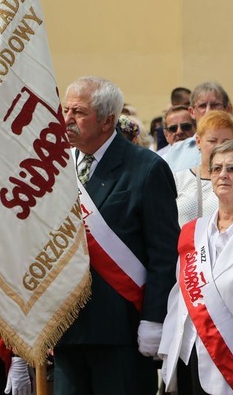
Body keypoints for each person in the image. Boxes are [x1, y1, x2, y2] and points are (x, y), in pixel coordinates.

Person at [56, 76, 179, 395]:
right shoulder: (56, 167)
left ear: (107, 119)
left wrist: (154, 321)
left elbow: (163, 253)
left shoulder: (146, 168)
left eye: (78, 112)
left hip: (121, 330)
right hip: (66, 329)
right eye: (65, 109)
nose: (67, 119)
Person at [159, 140, 233, 395]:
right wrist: (168, 354)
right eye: (216, 168)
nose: (223, 175)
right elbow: (178, 298)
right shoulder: (192, 231)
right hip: (186, 356)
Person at [174, 111, 233, 227]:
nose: (219, 147)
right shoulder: (178, 179)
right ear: (198, 141)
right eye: (212, 141)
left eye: (226, 142)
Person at [163, 82, 233, 172]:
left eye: (215, 105)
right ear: (192, 112)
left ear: (228, 109)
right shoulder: (176, 151)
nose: (209, 111)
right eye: (202, 106)